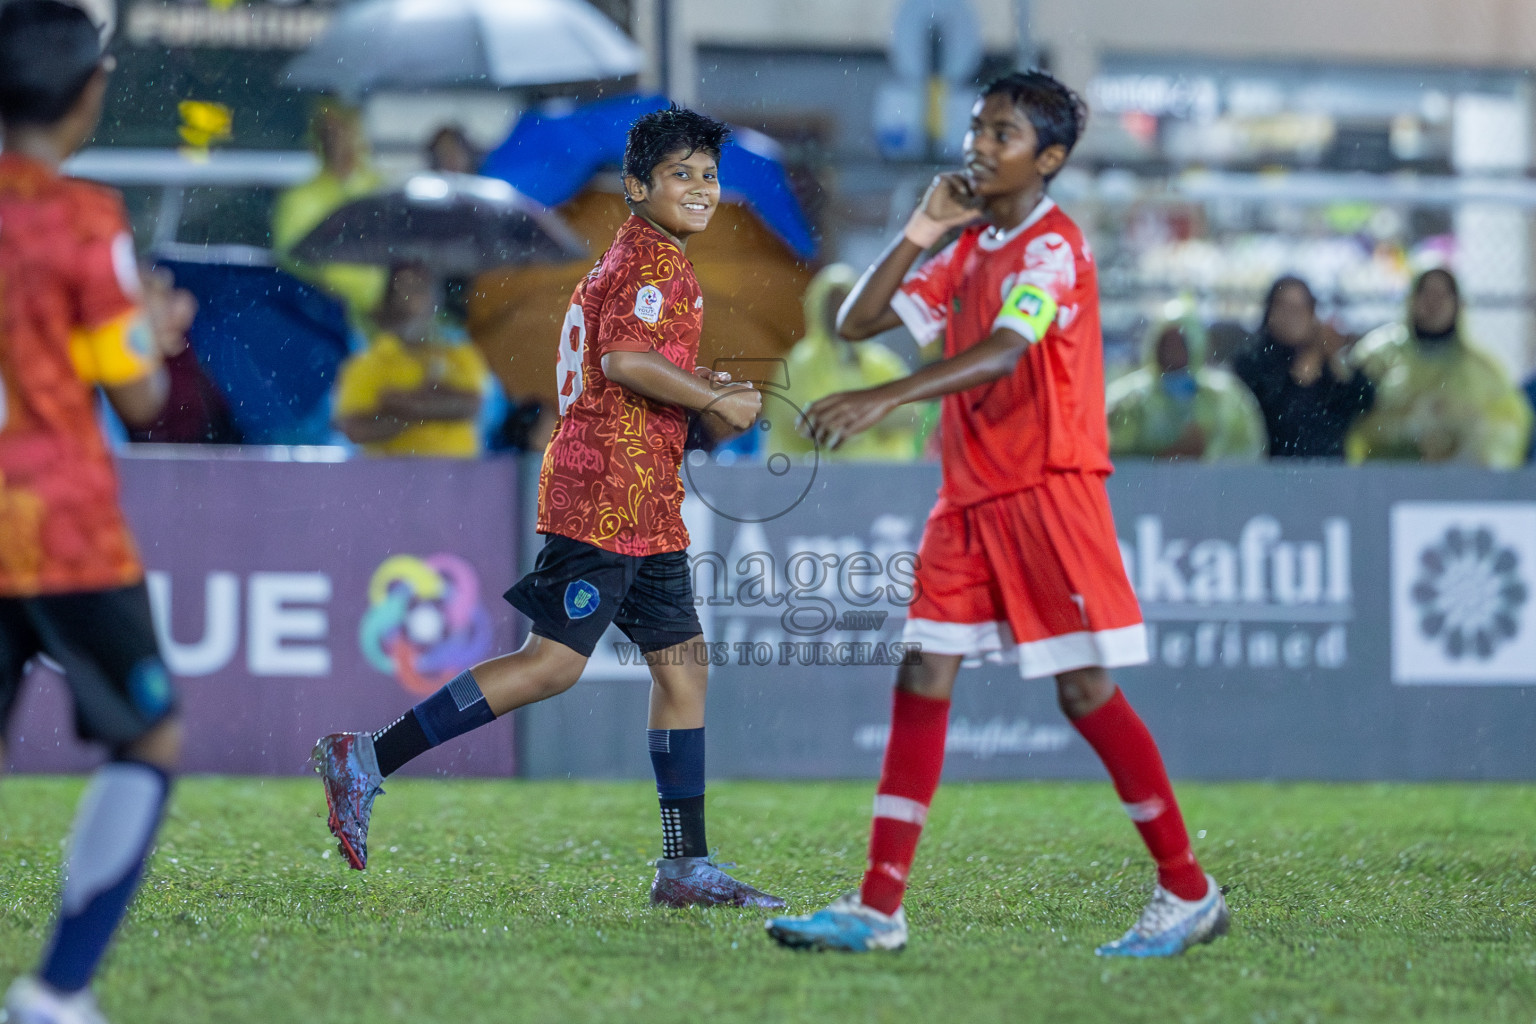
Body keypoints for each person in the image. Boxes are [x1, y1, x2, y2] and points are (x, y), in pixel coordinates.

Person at [766, 71, 1228, 956]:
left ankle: (1188, 889)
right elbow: (860, 322)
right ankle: (877, 907)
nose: (979, 144)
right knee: (921, 672)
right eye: (979, 127)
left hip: (1045, 494)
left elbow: (1006, 353)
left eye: (1003, 133)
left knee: (1084, 691)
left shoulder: (1053, 249)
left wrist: (888, 400)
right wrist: (921, 229)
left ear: (1048, 159)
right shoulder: (969, 246)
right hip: (968, 499)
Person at [311, 107, 782, 909]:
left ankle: (684, 867)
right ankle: (365, 759)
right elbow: (623, 359)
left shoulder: (640, 258)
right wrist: (712, 397)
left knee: (682, 667)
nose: (703, 188)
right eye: (682, 175)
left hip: (641, 493)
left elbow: (630, 362)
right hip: (606, 491)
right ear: (636, 186)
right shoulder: (652, 263)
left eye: (709, 174)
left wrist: (709, 391)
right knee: (552, 665)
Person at [0, 3, 193, 1021]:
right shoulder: (84, 218)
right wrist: (146, 337)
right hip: (61, 527)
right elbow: (138, 399)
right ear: (89, 95)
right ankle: (58, 986)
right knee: (150, 735)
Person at [1347, 268, 1533, 467]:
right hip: (1386, 480)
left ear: (1457, 304)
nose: (1434, 303)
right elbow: (1351, 419)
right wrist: (1407, 426)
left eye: (1443, 294)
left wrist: (1468, 431)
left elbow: (1510, 428)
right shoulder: (1376, 358)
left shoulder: (1483, 370)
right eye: (1426, 293)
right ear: (1412, 300)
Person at [766, 263, 926, 462]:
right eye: (832, 304)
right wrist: (850, 422)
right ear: (818, 306)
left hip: (878, 477)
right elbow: (790, 416)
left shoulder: (880, 363)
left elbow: (913, 414)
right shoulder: (799, 363)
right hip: (818, 477)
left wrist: (865, 418)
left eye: (844, 303)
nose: (837, 311)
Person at [333, 262, 493, 458]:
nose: (415, 300)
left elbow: (473, 406)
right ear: (389, 299)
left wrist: (400, 406)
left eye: (422, 288)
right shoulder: (368, 362)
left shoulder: (461, 353)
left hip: (457, 480)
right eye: (405, 289)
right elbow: (355, 429)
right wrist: (438, 402)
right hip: (390, 481)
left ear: (437, 299)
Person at [270, 99, 388, 323]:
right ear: (318, 139)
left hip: (384, 323)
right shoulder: (297, 199)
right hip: (324, 321)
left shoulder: (382, 191)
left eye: (345, 129)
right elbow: (290, 262)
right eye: (329, 132)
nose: (338, 140)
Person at [1233, 276, 1374, 458]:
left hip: (1330, 475)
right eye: (1285, 307)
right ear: (1270, 313)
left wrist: (1335, 359)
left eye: (1301, 308)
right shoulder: (1252, 362)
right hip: (1268, 475)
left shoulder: (1330, 365)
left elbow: (1364, 401)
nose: (1293, 317)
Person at [1106, 312, 1267, 461]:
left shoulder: (1228, 398)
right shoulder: (1128, 400)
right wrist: (1165, 455)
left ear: (1196, 345)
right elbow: (1110, 454)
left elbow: (1248, 454)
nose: (1172, 351)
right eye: (1166, 343)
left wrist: (1205, 455)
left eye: (1181, 343)